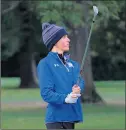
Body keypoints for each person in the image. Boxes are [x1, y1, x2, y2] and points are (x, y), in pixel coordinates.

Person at [37, 22, 85, 129]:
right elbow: (46, 93)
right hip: (56, 120)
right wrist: (66, 98)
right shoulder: (45, 64)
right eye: (64, 37)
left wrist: (78, 89)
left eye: (67, 37)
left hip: (71, 118)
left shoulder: (73, 64)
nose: (68, 40)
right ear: (54, 41)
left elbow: (80, 81)